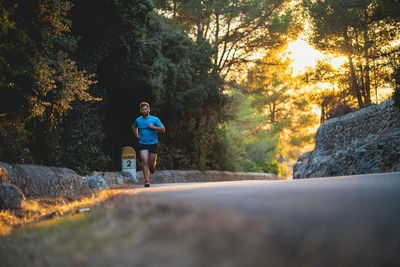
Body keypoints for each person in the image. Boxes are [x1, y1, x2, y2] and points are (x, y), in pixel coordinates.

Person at [132, 102, 165, 187]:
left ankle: (153, 166)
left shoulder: (154, 119)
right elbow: (133, 126)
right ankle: (147, 180)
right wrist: (137, 135)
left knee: (152, 160)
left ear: (149, 109)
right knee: (144, 160)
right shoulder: (138, 120)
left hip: (153, 143)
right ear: (140, 110)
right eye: (142, 109)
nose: (144, 111)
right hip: (142, 143)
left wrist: (153, 127)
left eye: (145, 109)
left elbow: (163, 129)